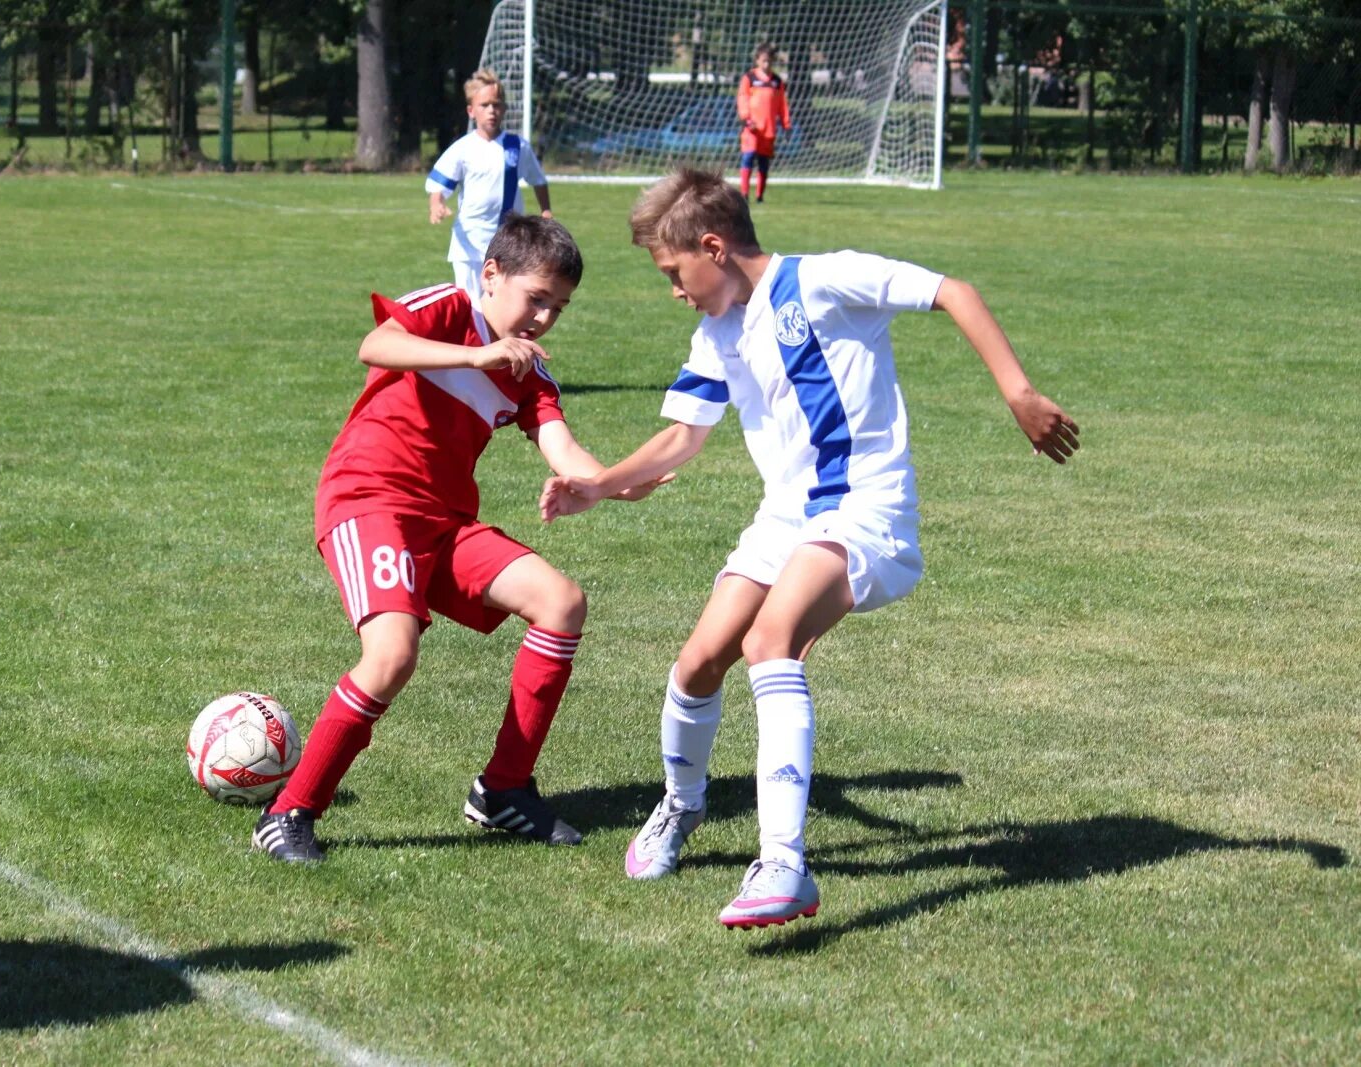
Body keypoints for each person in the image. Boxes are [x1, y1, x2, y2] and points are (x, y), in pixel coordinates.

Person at [540, 169, 1079, 927]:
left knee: (770, 640)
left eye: (673, 272)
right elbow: (680, 439)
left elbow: (953, 290)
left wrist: (1019, 392)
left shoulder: (826, 281)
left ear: (714, 247)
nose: (674, 290)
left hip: (866, 513)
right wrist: (600, 483)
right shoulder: (717, 330)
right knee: (696, 664)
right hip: (784, 519)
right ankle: (681, 807)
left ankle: (784, 865)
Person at [254, 215, 667, 865]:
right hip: (370, 502)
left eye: (559, 307)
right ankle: (288, 812)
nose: (544, 319)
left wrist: (618, 483)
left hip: (445, 522)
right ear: (491, 276)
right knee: (392, 655)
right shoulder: (447, 309)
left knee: (561, 601)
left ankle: (502, 788)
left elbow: (565, 451)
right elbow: (377, 344)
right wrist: (474, 354)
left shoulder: (530, 373)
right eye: (537, 298)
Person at [426, 68, 553, 299]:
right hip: (469, 242)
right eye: (484, 105)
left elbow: (538, 179)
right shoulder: (462, 149)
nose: (491, 111)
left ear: (504, 109)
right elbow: (439, 184)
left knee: (504, 303)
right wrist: (436, 204)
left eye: (496, 104)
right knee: (470, 304)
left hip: (508, 241)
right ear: (471, 111)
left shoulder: (517, 146)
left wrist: (545, 210)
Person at [737, 43, 791, 204]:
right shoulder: (749, 78)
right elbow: (743, 98)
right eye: (764, 61)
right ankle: (744, 194)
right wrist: (747, 118)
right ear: (757, 61)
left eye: (769, 61)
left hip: (768, 129)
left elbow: (782, 105)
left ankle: (760, 196)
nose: (766, 64)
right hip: (752, 128)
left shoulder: (776, 81)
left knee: (763, 162)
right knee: (748, 157)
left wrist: (786, 124)